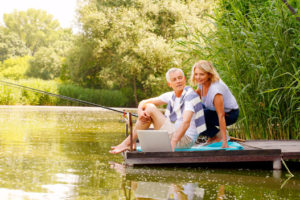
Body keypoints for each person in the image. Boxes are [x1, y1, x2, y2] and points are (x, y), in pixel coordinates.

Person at [110, 68, 206, 154]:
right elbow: (143, 102)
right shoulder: (171, 95)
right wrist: (140, 112)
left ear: (184, 79)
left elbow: (186, 123)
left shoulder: (190, 96)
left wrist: (173, 142)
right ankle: (130, 142)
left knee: (150, 108)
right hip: (174, 133)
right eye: (174, 79)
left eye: (180, 78)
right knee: (148, 109)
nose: (178, 81)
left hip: (184, 140)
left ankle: (128, 143)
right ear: (169, 84)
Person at [190, 60, 239, 148]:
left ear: (209, 74)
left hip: (229, 114)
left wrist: (225, 143)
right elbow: (197, 95)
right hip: (213, 109)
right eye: (196, 74)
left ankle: (220, 137)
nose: (198, 77)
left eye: (201, 74)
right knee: (191, 110)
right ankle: (213, 136)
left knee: (196, 116)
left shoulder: (216, 91)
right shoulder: (202, 82)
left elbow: (221, 116)